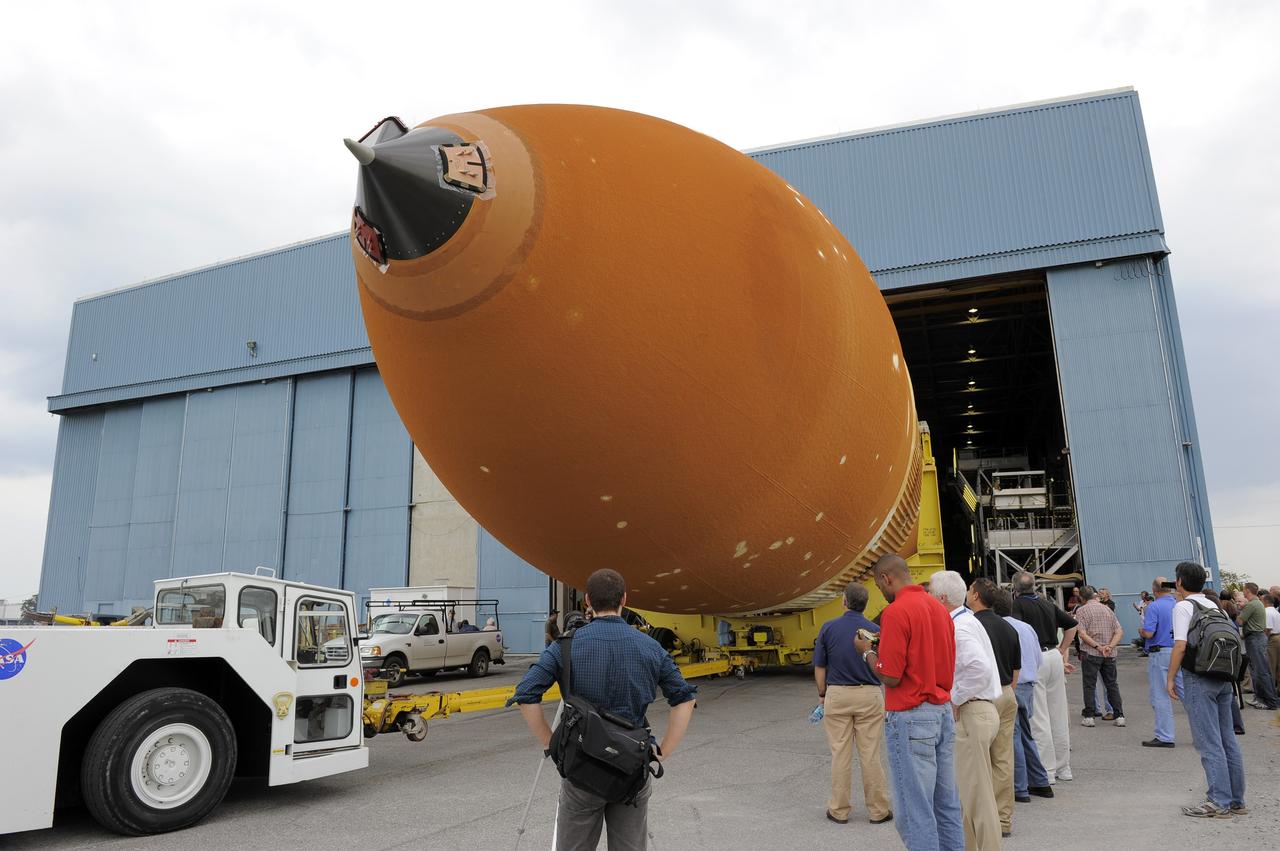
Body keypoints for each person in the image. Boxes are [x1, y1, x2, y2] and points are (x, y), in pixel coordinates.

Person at [512, 569, 697, 849]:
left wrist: (552, 744)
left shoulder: (564, 648)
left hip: (582, 768)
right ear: (625, 599)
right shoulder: (651, 647)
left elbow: (526, 694)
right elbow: (684, 699)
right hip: (632, 768)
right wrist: (664, 750)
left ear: (587, 601)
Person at [855, 555, 963, 851]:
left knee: (915, 811)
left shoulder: (896, 611)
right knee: (946, 804)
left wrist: (867, 652)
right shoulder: (939, 610)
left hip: (911, 715)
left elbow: (890, 675)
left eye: (878, 584)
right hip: (941, 711)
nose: (880, 591)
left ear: (886, 578)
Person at [928, 571, 1001, 850]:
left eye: (931, 593)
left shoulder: (959, 628)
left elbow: (978, 669)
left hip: (971, 713)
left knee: (977, 798)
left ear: (942, 598)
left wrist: (955, 698)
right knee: (970, 797)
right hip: (979, 711)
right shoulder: (966, 621)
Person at [1167, 561, 1247, 818]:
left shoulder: (1183, 606)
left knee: (1208, 741)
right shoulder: (1216, 606)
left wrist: (1170, 679)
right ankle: (1236, 800)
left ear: (1179, 582)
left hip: (1198, 678)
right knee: (1227, 740)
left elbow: (1180, 646)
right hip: (1223, 677)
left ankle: (1217, 801)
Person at [813, 581, 892, 826]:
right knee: (871, 755)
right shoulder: (875, 629)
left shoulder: (828, 628)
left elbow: (820, 667)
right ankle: (878, 810)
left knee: (840, 754)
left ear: (844, 601)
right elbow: (882, 665)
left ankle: (839, 809)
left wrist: (822, 695)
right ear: (865, 604)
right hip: (869, 694)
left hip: (837, 693)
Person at [967, 577, 1022, 838]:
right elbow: (1015, 670)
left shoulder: (969, 626)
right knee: (1002, 759)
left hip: (982, 697)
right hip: (1007, 693)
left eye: (969, 590)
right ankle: (1003, 820)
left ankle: (981, 821)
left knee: (976, 762)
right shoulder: (1008, 627)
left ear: (976, 595)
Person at [1010, 571, 1078, 782]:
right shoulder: (1046, 603)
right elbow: (1072, 624)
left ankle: (1046, 771)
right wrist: (1062, 649)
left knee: (1039, 717)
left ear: (1015, 589)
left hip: (1035, 657)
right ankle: (1064, 767)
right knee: (1058, 712)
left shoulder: (1018, 606)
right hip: (1053, 656)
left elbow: (1017, 632)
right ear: (1034, 587)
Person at [997, 589, 1053, 801]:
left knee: (1013, 736)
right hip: (1028, 684)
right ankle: (1040, 781)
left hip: (1013, 685)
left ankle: (1020, 788)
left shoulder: (1001, 628)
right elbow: (1039, 659)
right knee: (1026, 734)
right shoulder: (1027, 628)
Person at [1073, 586, 1125, 727]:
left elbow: (1082, 634)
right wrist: (1110, 646)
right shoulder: (1107, 609)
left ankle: (1089, 716)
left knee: (1089, 684)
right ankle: (1119, 714)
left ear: (1082, 598)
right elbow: (1119, 631)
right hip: (1109, 653)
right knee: (1112, 684)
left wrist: (1098, 646)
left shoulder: (1081, 611)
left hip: (1091, 652)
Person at [1139, 577, 1182, 747]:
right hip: (1179, 650)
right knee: (1186, 693)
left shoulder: (1154, 606)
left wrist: (1141, 631)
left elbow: (1149, 633)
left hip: (1161, 652)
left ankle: (1165, 736)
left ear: (1154, 590)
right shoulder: (1179, 604)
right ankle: (1205, 732)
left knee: (1161, 695)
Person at [1238, 583, 1279, 710]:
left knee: (1261, 671)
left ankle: (1270, 701)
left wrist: (1240, 609)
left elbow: (1240, 621)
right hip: (1257, 638)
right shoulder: (1258, 603)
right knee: (1259, 671)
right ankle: (1261, 698)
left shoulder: (1251, 605)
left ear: (1248, 590)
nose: (1243, 592)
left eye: (1244, 589)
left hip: (1255, 638)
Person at [1264, 593, 1280, 692]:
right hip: (1278, 636)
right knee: (1278, 666)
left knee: (1271, 666)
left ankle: (1271, 691)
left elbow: (1268, 628)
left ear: (1265, 601)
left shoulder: (1266, 612)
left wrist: (1264, 640)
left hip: (1272, 639)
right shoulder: (1276, 612)